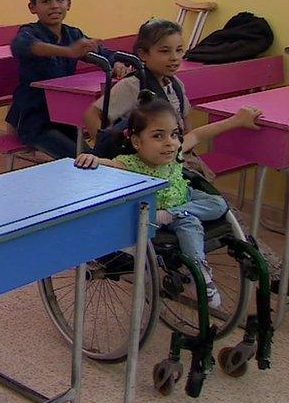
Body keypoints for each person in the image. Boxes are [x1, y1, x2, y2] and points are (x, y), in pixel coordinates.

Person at [75, 91, 263, 308]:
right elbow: (107, 164)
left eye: (173, 134)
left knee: (219, 203)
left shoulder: (176, 151)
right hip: (154, 214)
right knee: (190, 223)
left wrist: (237, 120)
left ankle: (175, 213)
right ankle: (199, 274)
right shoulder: (130, 163)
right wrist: (92, 158)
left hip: (184, 200)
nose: (169, 143)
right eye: (158, 136)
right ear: (137, 141)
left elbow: (200, 134)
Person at [6, 0, 126, 158]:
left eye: (60, 0)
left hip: (63, 118)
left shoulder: (73, 34)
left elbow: (101, 52)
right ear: (32, 7)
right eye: (46, 1)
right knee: (83, 159)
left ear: (68, 4)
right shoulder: (29, 32)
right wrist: (69, 52)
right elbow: (23, 46)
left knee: (99, 154)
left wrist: (117, 62)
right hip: (33, 122)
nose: (54, 6)